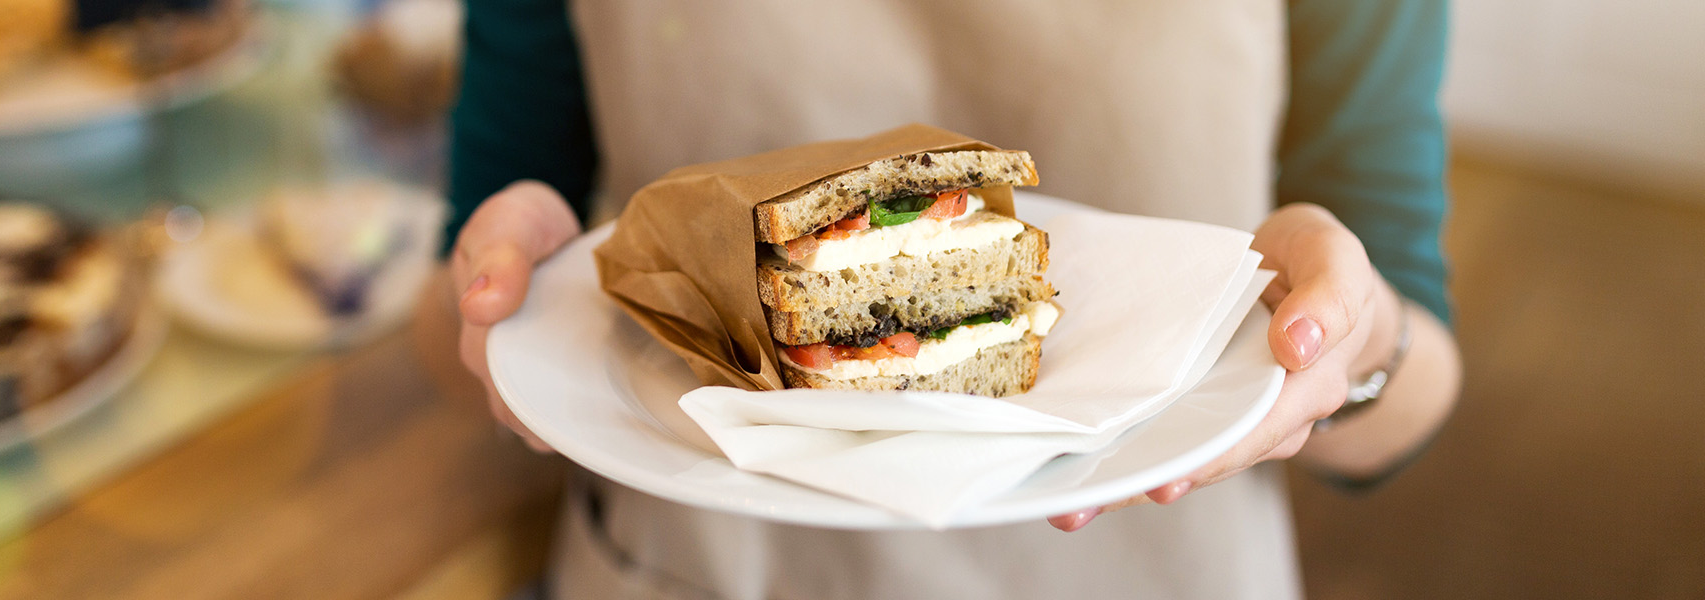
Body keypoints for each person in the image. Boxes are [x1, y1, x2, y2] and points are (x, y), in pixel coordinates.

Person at [432, 0, 1464, 597]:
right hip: (690, 564)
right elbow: (481, 260)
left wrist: (1348, 345)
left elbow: (1409, 397)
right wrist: (509, 298)